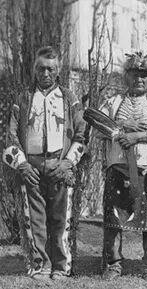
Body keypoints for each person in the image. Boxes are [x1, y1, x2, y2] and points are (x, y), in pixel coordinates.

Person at [2, 46, 86, 280]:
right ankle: (40, 265)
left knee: (61, 220)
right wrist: (22, 165)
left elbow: (82, 134)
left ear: (58, 70)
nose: (45, 73)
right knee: (35, 219)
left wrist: (68, 163)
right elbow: (10, 136)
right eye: (41, 68)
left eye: (50, 69)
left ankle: (61, 267)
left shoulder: (69, 99)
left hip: (60, 167)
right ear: (34, 70)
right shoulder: (23, 99)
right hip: (32, 169)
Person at [93, 52, 147, 281]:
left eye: (144, 75)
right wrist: (120, 126)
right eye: (134, 75)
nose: (139, 79)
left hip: (146, 170)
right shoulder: (112, 102)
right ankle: (113, 264)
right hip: (117, 168)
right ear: (126, 77)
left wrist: (138, 136)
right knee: (113, 219)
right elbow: (97, 129)